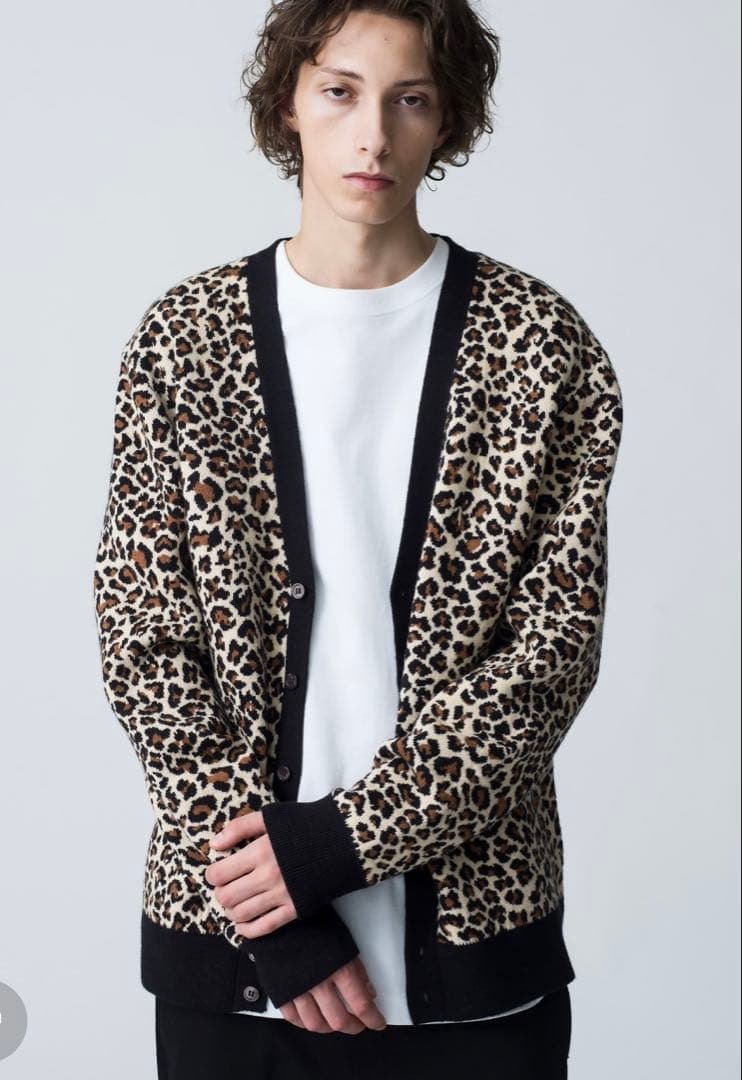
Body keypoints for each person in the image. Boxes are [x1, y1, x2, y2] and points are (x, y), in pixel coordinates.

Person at [93, 2, 622, 1077]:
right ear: (288, 104)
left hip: (477, 967)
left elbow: (551, 654)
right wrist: (276, 917)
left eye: (409, 99)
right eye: (339, 92)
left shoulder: (539, 347)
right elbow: (145, 645)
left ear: (447, 120)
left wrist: (333, 846)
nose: (372, 135)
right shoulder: (183, 341)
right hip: (240, 975)